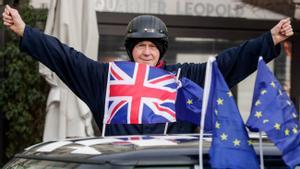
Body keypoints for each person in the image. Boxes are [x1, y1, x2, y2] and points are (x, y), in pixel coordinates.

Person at [3, 5, 294, 136]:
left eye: (153, 46)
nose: (146, 51)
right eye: (140, 45)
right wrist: (25, 31)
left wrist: (269, 40)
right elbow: (67, 59)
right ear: (130, 49)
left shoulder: (181, 79)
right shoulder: (107, 80)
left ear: (161, 51)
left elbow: (227, 64)